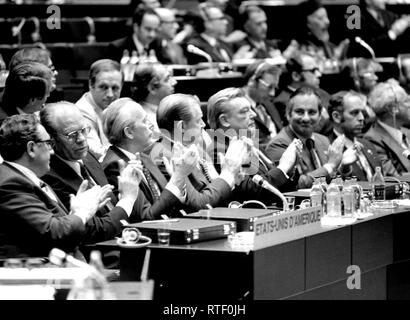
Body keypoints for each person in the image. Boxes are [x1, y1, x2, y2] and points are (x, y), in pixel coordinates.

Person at [0, 114, 119, 259]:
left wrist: (78, 210)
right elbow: (55, 232)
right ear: (31, 148)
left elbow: (49, 229)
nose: (52, 150)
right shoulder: (10, 184)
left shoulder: (22, 178)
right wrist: (82, 212)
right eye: (48, 143)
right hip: (39, 274)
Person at [40, 101, 170, 223]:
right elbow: (94, 229)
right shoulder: (50, 176)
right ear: (51, 140)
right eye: (71, 135)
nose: (81, 139)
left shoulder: (88, 157)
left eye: (84, 130)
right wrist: (127, 200)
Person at [206, 87, 300, 206]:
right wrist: (284, 166)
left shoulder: (248, 141)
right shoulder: (217, 150)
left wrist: (290, 169)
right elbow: (251, 193)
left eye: (251, 109)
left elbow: (278, 188)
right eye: (244, 111)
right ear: (224, 120)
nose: (254, 114)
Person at [101, 98, 194, 215]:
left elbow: (167, 200)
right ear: (129, 133)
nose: (151, 125)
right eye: (144, 121)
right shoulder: (115, 165)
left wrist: (178, 182)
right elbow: (146, 216)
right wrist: (177, 178)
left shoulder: (142, 156)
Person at [156, 93, 247, 209]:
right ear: (182, 127)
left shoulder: (197, 148)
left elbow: (215, 191)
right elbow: (198, 204)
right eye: (199, 120)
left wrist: (233, 180)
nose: (204, 125)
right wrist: (227, 175)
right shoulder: (164, 156)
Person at [266, 87, 352, 189]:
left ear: (320, 116)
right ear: (288, 114)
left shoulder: (323, 140)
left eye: (312, 112)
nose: (306, 118)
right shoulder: (278, 144)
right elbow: (295, 185)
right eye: (300, 112)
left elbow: (330, 180)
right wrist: (329, 166)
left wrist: (344, 168)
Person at [328, 90, 382, 181]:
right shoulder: (328, 149)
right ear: (337, 117)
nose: (362, 118)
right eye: (354, 113)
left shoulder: (367, 144)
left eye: (362, 112)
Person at [76, 59, 123, 161]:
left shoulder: (119, 107)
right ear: (91, 85)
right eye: (103, 87)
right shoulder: (82, 111)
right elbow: (97, 153)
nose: (110, 95)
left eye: (115, 88)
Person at [274, 51, 331, 134]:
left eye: (318, 69)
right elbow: (304, 132)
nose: (319, 74)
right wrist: (327, 119)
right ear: (296, 76)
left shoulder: (322, 93)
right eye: (313, 70)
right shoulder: (283, 102)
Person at [284, 0, 349, 71]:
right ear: (307, 24)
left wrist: (340, 58)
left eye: (326, 17)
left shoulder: (330, 47)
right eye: (320, 18)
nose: (327, 21)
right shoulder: (296, 48)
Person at [364, 80, 410, 176]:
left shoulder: (407, 132)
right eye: (406, 101)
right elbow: (392, 178)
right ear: (393, 108)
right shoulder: (372, 140)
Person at [241, 60, 284, 148]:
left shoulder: (268, 105)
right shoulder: (236, 108)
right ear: (252, 81)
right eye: (269, 87)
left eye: (275, 88)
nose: (272, 93)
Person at [131, 62, 177, 132]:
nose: (174, 82)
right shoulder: (146, 122)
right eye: (167, 79)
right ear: (152, 87)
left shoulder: (167, 111)